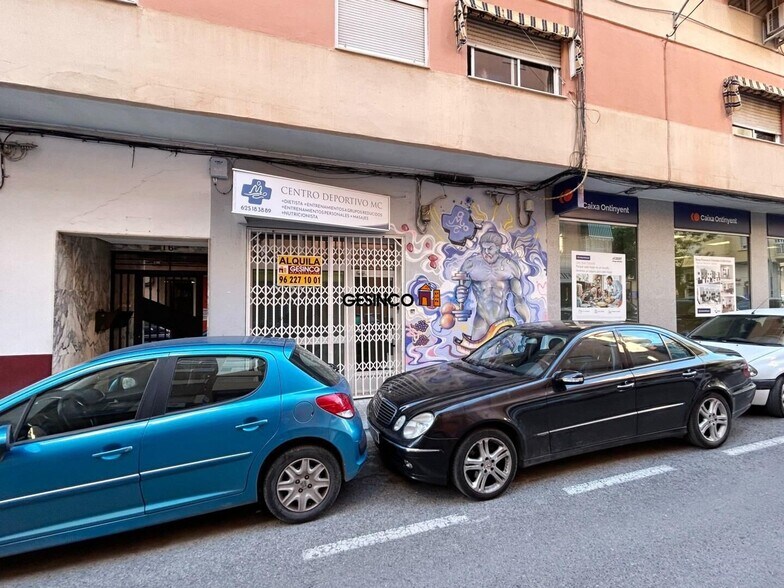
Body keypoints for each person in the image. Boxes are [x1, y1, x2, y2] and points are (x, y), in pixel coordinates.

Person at [453, 230, 529, 349]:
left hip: (503, 321)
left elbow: (519, 300)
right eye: (483, 249)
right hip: (481, 320)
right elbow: (462, 292)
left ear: (498, 248)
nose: (485, 252)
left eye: (490, 249)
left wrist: (527, 324)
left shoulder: (510, 267)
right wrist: (460, 294)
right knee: (475, 357)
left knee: (505, 359)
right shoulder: (471, 265)